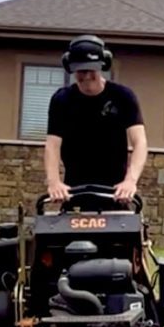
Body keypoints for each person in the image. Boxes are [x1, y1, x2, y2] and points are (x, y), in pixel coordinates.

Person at [44, 35, 148, 203]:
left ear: (102, 66)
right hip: (75, 192)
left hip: (115, 193)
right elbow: (52, 145)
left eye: (90, 70)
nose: (86, 76)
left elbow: (140, 142)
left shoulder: (122, 96)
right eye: (81, 71)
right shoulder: (62, 100)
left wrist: (130, 181)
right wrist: (54, 182)